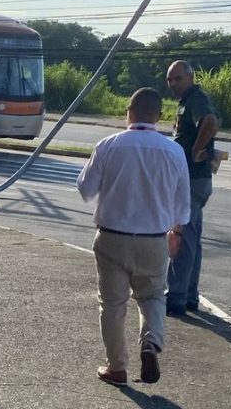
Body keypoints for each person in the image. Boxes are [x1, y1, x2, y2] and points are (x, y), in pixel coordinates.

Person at [77, 87, 190, 386]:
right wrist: (176, 232)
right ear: (160, 116)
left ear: (128, 111)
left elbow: (86, 189)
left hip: (112, 237)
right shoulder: (175, 151)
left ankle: (117, 368)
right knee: (152, 297)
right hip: (154, 238)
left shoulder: (108, 145)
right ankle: (151, 343)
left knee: (112, 305)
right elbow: (183, 202)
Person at [165, 60, 219, 317]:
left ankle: (176, 296)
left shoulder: (195, 99)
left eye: (178, 78)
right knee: (192, 238)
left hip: (192, 178)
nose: (173, 84)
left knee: (182, 236)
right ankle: (188, 295)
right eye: (170, 80)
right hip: (197, 178)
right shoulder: (189, 100)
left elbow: (209, 121)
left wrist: (197, 149)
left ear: (190, 78)